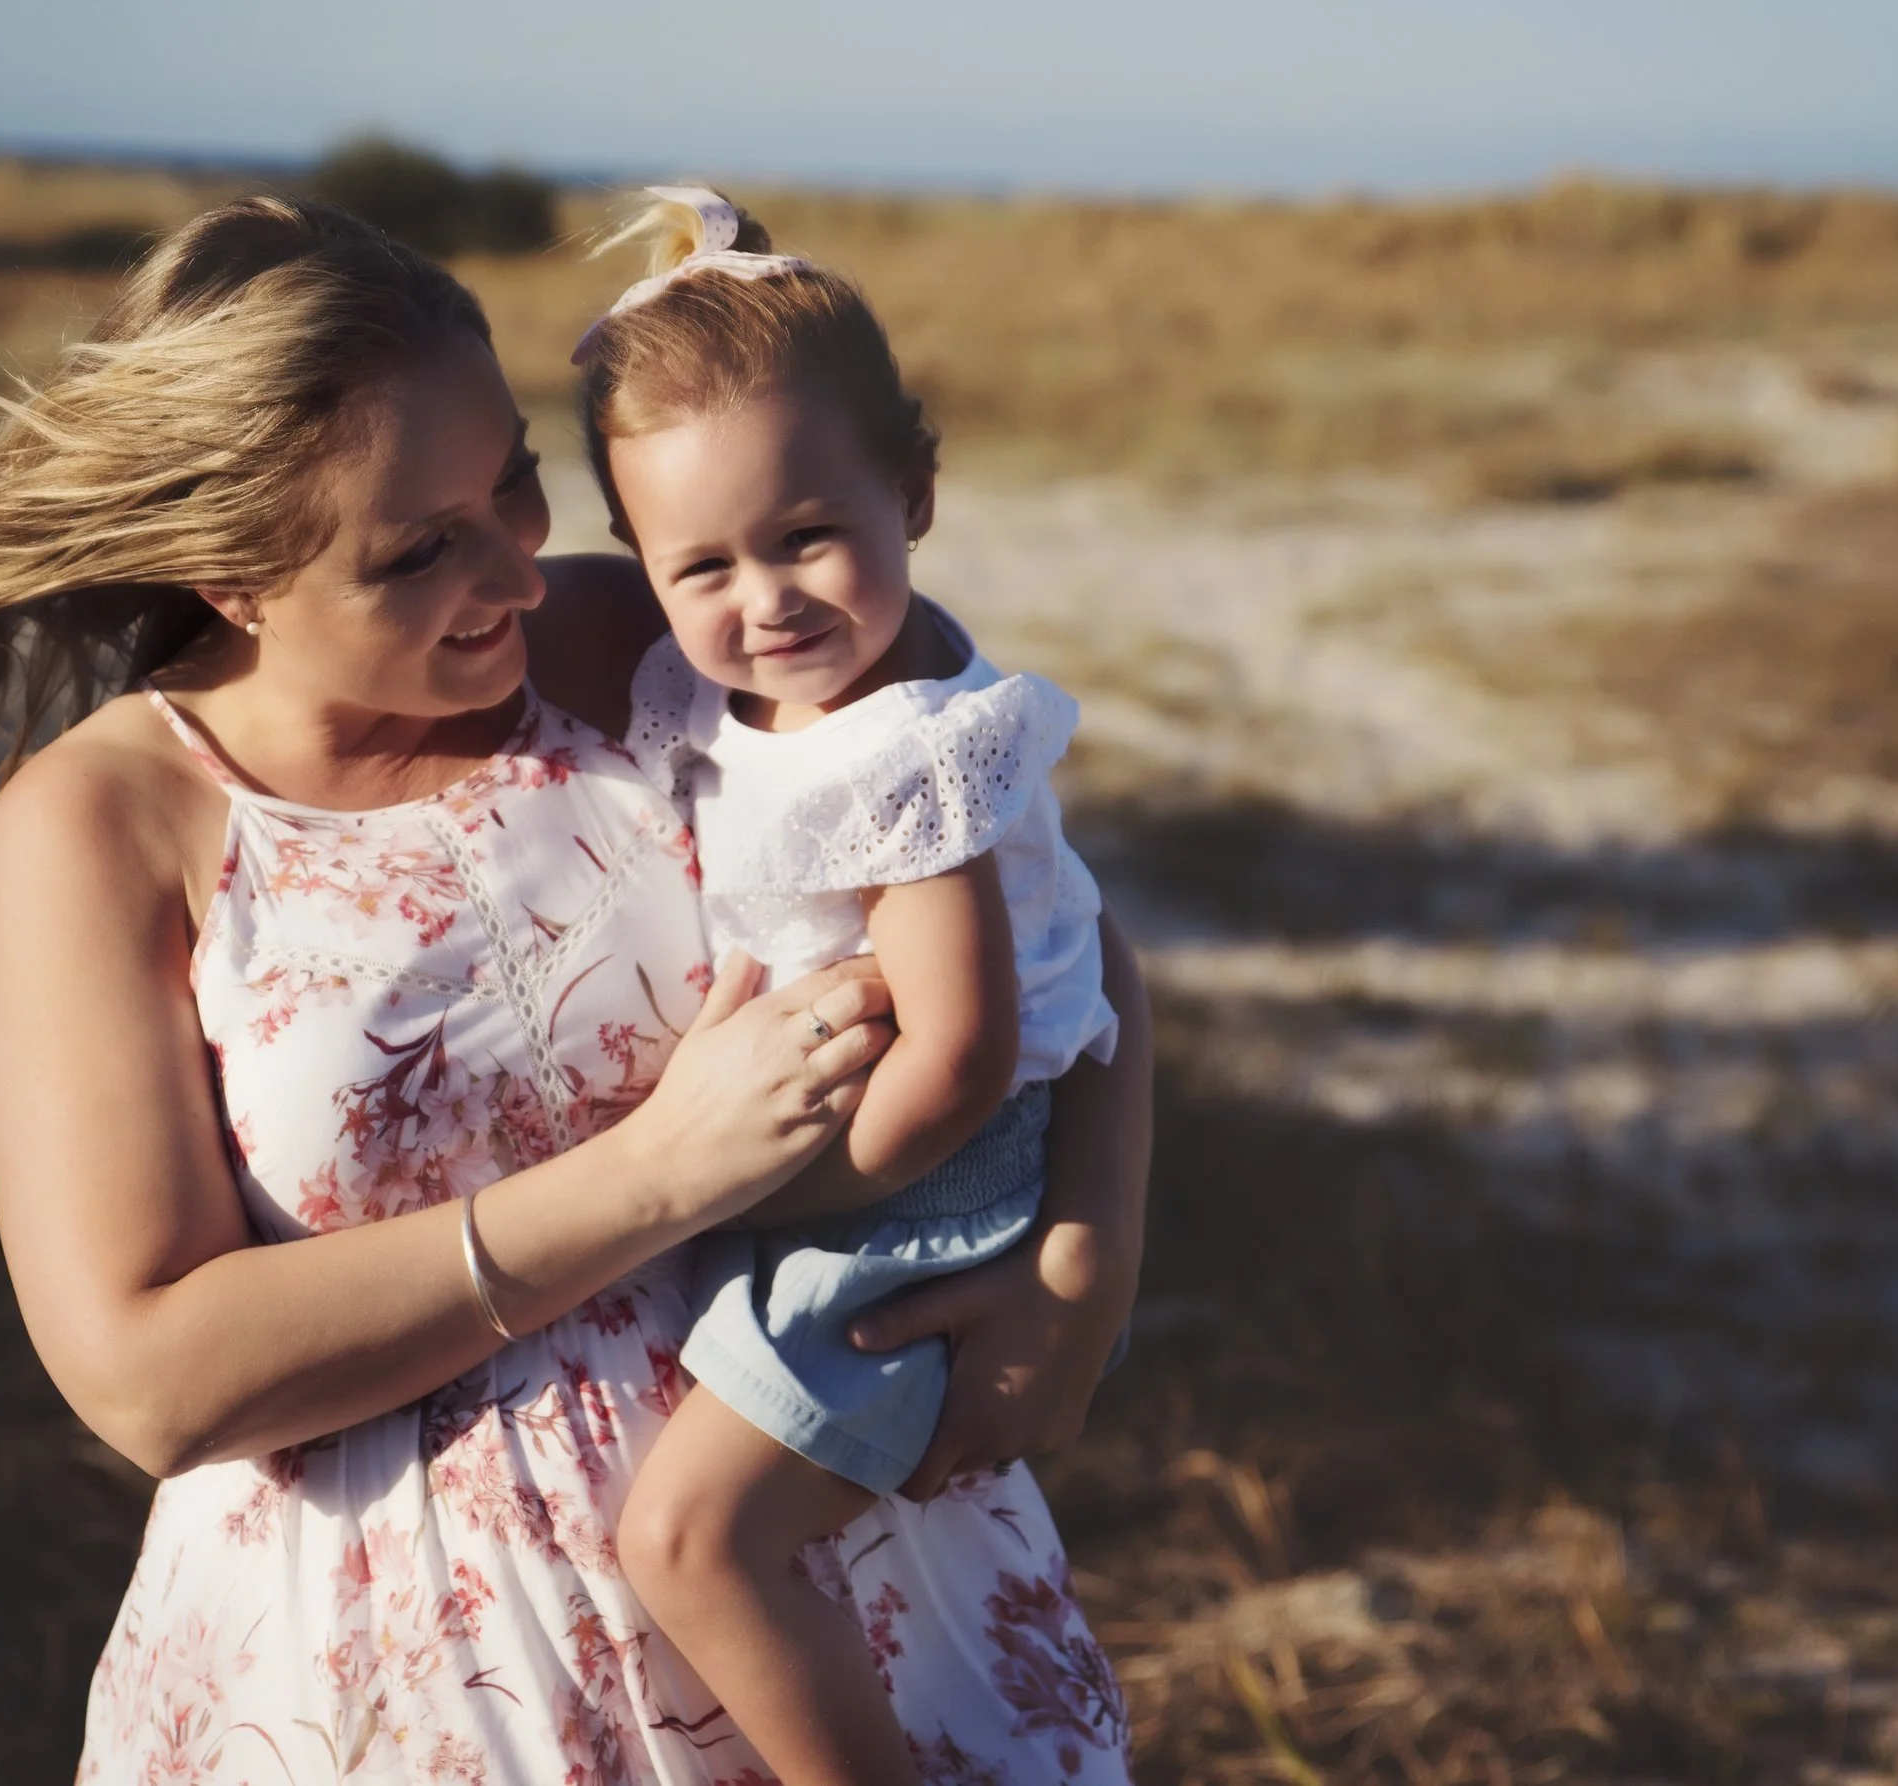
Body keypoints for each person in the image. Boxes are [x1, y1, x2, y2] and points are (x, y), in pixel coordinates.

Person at [0, 194, 1148, 1782]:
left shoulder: (642, 634)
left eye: (516, 483)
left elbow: (1041, 906)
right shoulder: (109, 820)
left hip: (851, 1572)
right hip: (400, 1671)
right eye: (418, 551)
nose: (518, 572)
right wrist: (653, 1178)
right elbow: (146, 1372)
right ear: (232, 572)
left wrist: (1083, 1266)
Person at [576, 185, 1125, 1786]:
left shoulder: (902, 752)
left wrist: (755, 1193)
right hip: (866, 1165)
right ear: (639, 563)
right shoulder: (750, 697)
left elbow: (960, 1049)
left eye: (808, 536)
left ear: (915, 489)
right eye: (706, 567)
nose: (767, 602)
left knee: (691, 1539)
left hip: (914, 1188)